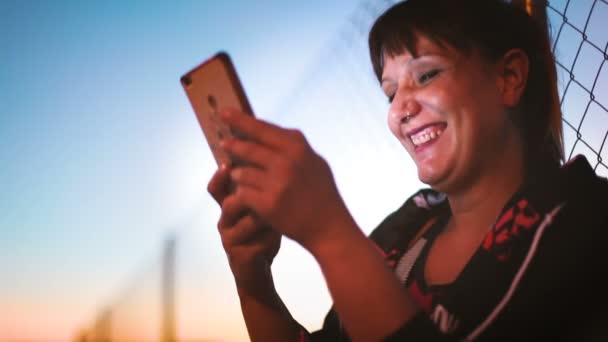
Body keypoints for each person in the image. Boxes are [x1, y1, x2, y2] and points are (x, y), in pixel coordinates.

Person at [207, 0, 608, 340]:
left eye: (426, 75)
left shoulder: (584, 216)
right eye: (390, 92)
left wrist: (329, 234)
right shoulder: (407, 229)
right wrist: (253, 281)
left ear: (508, 78)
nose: (400, 110)